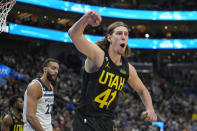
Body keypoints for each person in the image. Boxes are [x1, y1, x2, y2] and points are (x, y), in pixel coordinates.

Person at [68, 10, 157, 131]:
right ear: (109, 38)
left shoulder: (128, 69)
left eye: (126, 34)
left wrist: (150, 109)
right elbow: (74, 35)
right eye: (119, 33)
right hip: (87, 120)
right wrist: (85, 20)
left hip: (108, 122)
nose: (123, 37)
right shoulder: (98, 56)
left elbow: (142, 90)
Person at [23, 58, 59, 131]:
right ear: (45, 69)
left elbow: (45, 114)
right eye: (53, 68)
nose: (56, 72)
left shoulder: (51, 87)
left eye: (57, 69)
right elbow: (30, 117)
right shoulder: (35, 86)